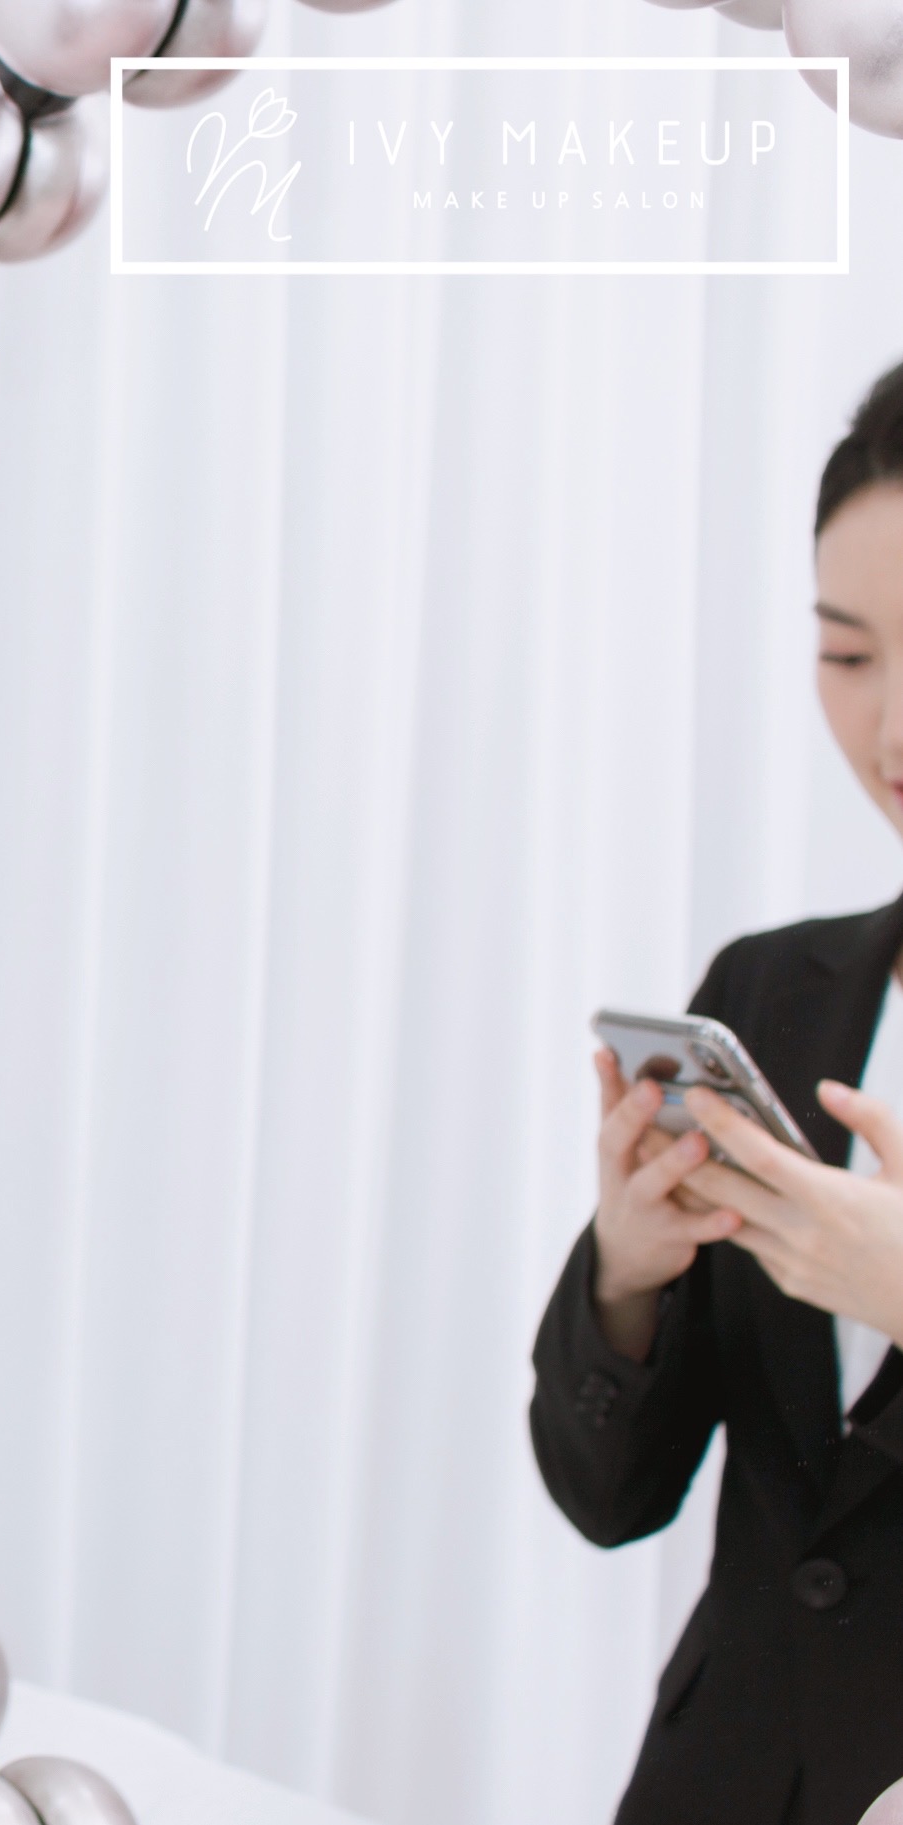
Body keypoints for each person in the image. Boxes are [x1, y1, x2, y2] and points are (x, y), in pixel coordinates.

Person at [532, 363, 903, 1825]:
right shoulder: (772, 988)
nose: (889, 731)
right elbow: (607, 1494)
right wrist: (628, 1278)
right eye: (848, 654)